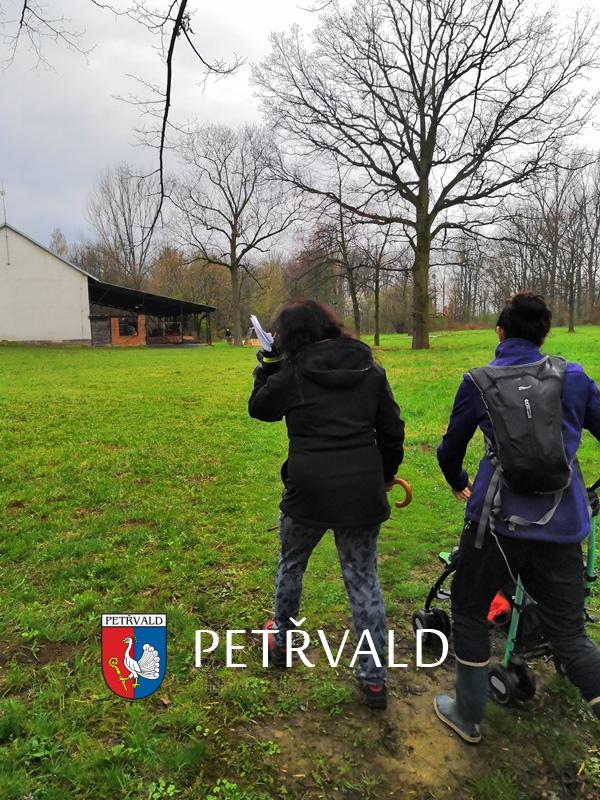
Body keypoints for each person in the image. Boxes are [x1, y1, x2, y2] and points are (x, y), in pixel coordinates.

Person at [435, 292, 600, 743]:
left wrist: (458, 479)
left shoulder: (478, 381)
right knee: (570, 634)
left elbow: (450, 449)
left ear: (499, 332)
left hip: (494, 524)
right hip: (562, 523)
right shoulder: (573, 376)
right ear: (544, 335)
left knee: (469, 610)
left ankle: (467, 715)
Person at [248, 299, 405, 709]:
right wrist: (385, 474)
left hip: (307, 491)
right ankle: (374, 679)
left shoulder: (294, 373)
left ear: (290, 337)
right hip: (361, 492)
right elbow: (392, 429)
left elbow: (260, 407)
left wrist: (267, 365)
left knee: (291, 564)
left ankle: (282, 641)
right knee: (363, 580)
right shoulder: (370, 369)